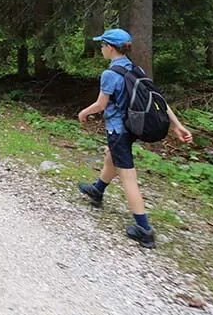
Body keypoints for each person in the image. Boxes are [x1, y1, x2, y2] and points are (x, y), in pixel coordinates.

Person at [77, 28, 193, 248]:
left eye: (102, 45)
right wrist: (177, 125)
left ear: (110, 48)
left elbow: (101, 105)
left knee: (128, 177)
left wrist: (84, 112)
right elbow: (159, 101)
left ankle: (144, 229)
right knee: (111, 156)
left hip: (118, 130)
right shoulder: (134, 68)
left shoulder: (110, 74)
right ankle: (97, 190)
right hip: (131, 128)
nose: (101, 48)